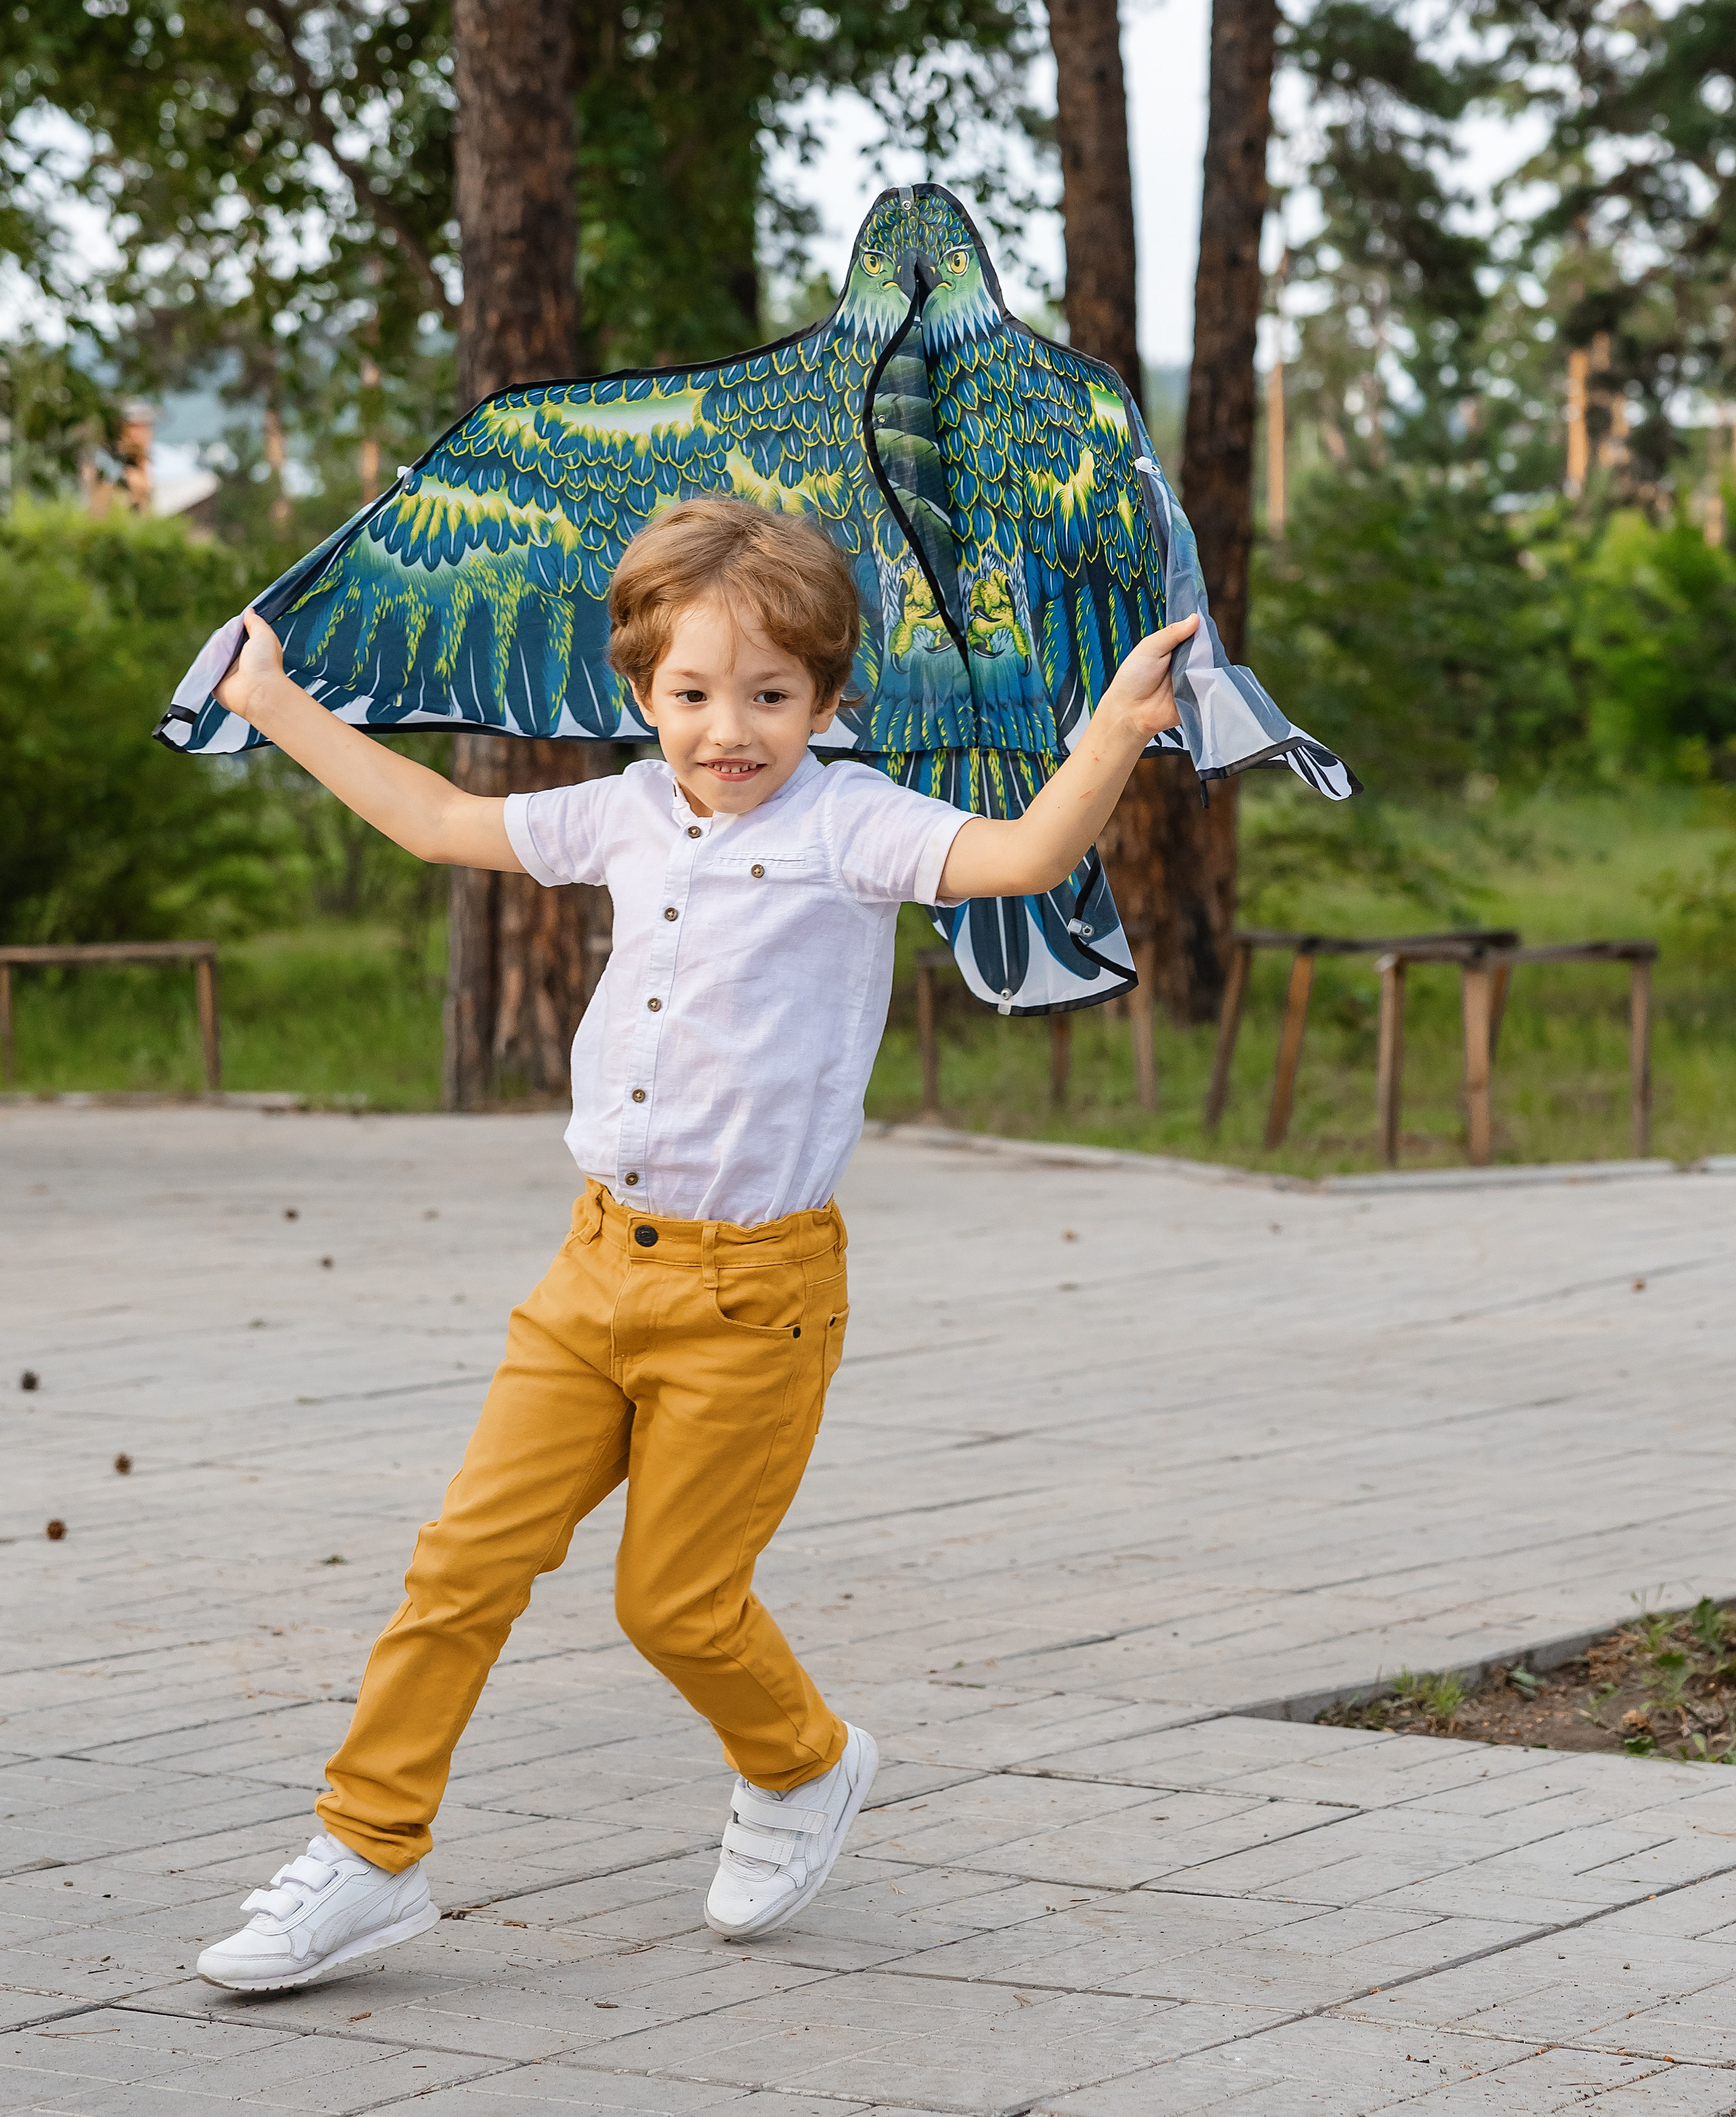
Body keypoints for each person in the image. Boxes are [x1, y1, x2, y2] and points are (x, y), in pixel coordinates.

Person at [195, 497, 1193, 1992]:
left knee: (671, 1600)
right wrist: (270, 700)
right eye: (693, 693)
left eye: (771, 696)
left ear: (826, 697)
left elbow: (1024, 853)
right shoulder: (619, 810)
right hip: (592, 1263)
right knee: (460, 1562)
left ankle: (801, 1762)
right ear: (641, 688)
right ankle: (366, 1852)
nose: (730, 729)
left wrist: (1113, 731)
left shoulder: (853, 824)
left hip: (753, 1294)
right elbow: (436, 820)